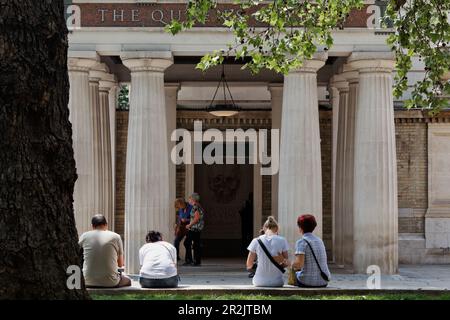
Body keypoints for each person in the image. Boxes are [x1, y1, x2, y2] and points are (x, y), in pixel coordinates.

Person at [79, 214, 132, 288]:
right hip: (110, 282)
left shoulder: (84, 236)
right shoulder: (116, 236)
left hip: (87, 280)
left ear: (92, 226)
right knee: (128, 280)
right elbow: (120, 264)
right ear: (106, 224)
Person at [246, 216, 289, 287]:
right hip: (277, 282)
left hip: (259, 282)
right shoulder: (282, 240)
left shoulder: (256, 241)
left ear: (263, 228)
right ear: (277, 229)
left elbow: (249, 265)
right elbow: (286, 263)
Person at [291, 214, 331, 288]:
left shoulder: (302, 242)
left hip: (307, 282)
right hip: (324, 280)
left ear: (300, 228)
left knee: (295, 272)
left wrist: (290, 264)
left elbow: (299, 264)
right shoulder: (320, 240)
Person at [183, 193, 205, 266]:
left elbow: (196, 218)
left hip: (194, 228)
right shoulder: (197, 206)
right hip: (195, 228)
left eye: (189, 199)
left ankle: (190, 260)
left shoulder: (196, 207)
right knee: (196, 244)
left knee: (187, 243)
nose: (188, 200)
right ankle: (195, 261)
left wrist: (189, 225)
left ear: (193, 199)